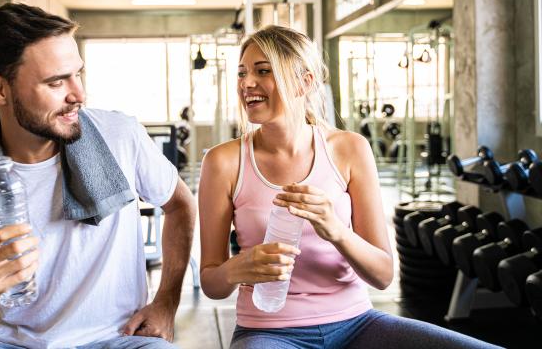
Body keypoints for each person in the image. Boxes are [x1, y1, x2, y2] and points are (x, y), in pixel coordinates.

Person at [198, 25, 501, 349]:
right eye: (242, 73)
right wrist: (238, 268)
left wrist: (336, 230)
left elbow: (383, 275)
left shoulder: (350, 149)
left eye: (263, 71)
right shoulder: (223, 162)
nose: (247, 83)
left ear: (305, 82)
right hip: (268, 332)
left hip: (356, 324)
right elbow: (211, 282)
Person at [0, 3, 196, 349]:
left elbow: (180, 205)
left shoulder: (121, 136)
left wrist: (166, 303)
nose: (78, 95)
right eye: (56, 81)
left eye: (77, 74)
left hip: (120, 338)